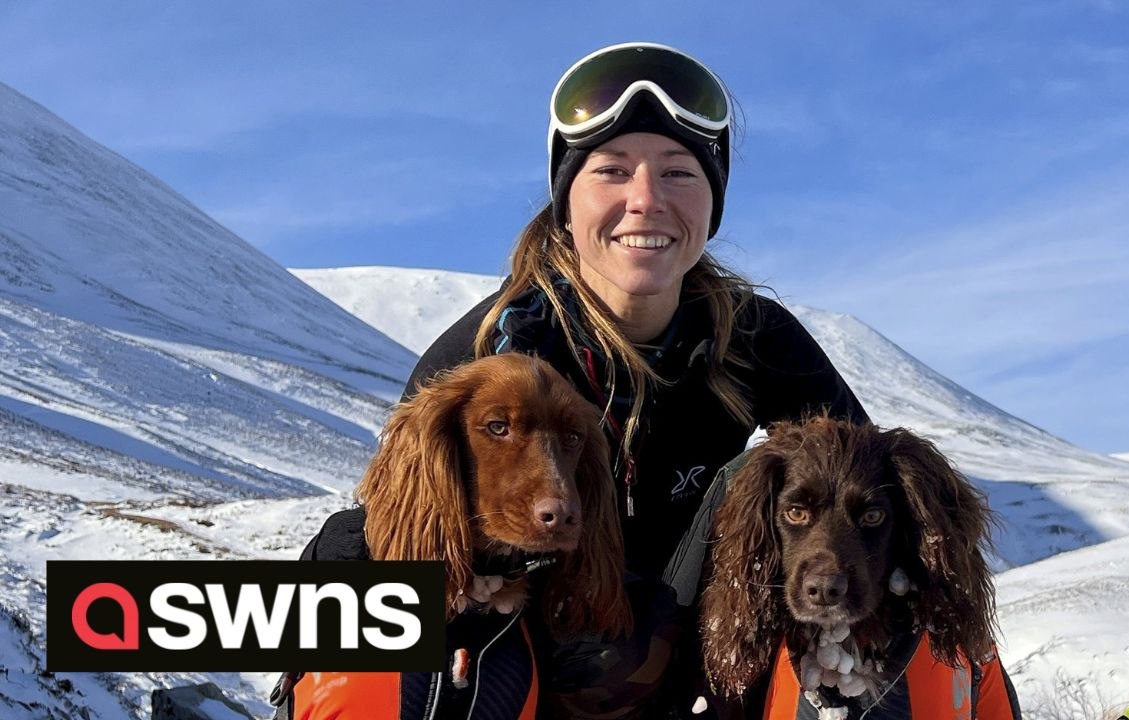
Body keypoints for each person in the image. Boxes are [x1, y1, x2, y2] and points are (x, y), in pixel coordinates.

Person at [285, 42, 867, 719]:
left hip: (698, 644)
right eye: (612, 172)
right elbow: (407, 521)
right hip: (531, 642)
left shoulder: (759, 338)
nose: (645, 201)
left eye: (679, 173)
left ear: (713, 203)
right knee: (353, 561)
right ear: (567, 201)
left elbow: (873, 492)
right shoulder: (486, 353)